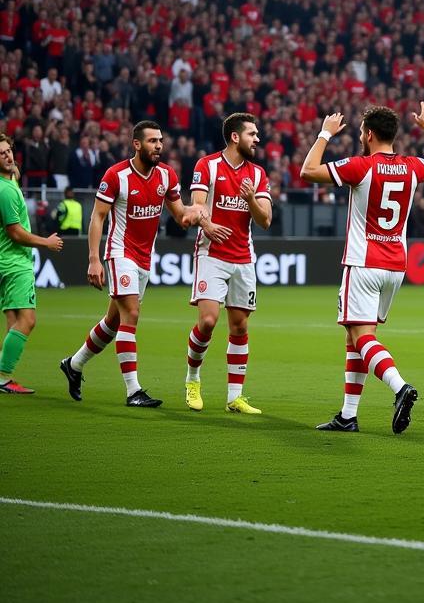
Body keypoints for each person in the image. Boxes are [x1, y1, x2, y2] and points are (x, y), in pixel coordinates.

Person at [302, 103, 424, 434]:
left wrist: (325, 133)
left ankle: (400, 387)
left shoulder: (360, 166)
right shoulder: (412, 166)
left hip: (363, 262)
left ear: (368, 134)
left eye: (359, 133)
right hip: (396, 265)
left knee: (362, 337)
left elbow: (308, 171)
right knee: (357, 339)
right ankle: (348, 415)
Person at [59, 121, 201, 407]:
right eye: (151, 141)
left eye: (160, 141)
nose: (158, 146)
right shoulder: (116, 175)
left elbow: (180, 216)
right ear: (137, 144)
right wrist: (93, 259)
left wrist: (198, 213)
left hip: (144, 258)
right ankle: (133, 391)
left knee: (113, 322)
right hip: (119, 253)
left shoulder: (166, 175)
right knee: (131, 315)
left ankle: (73, 364)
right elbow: (97, 217)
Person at [183, 113, 273, 415]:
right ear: (235, 137)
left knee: (240, 325)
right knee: (208, 321)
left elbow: (266, 220)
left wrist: (250, 200)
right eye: (252, 134)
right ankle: (192, 380)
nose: (257, 139)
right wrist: (206, 225)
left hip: (244, 259)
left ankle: (235, 397)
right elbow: (197, 205)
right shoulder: (207, 166)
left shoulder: (258, 174)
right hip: (212, 254)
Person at [0, 133, 64, 394]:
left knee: (13, 321)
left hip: (7, 261)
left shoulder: (9, 179)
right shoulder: (4, 191)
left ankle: (4, 377)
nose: (7, 156)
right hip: (16, 262)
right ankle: (3, 377)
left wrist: (12, 170)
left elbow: (13, 170)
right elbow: (15, 231)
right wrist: (45, 243)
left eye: (8, 151)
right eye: (1, 154)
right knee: (28, 320)